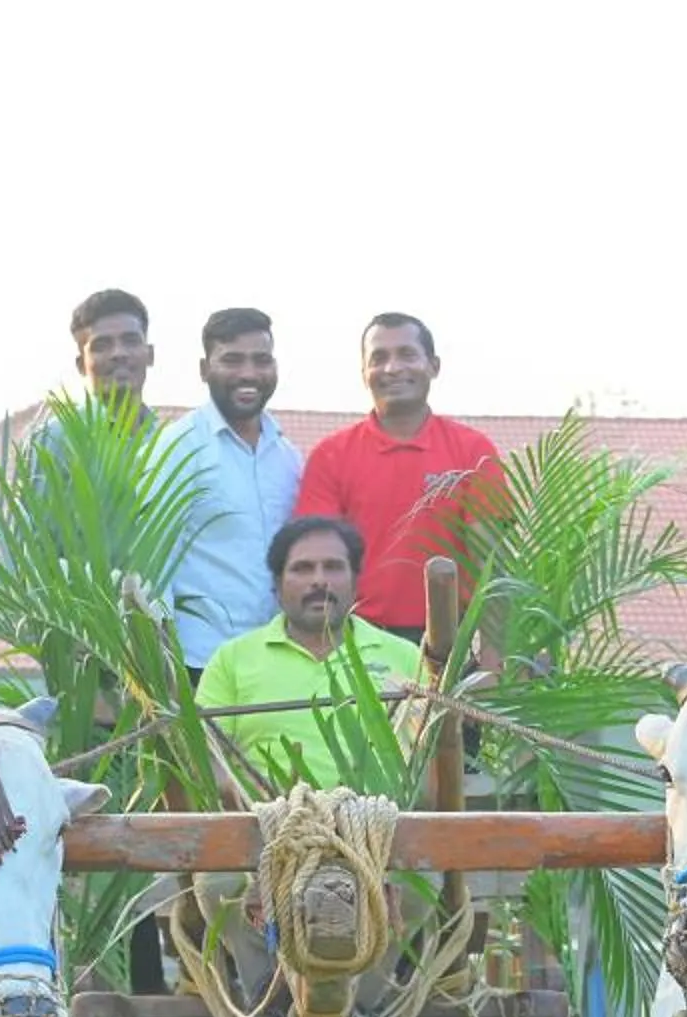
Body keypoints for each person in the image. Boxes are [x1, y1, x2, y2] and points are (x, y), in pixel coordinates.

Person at [292, 312, 500, 641]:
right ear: (364, 373)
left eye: (407, 354)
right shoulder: (330, 456)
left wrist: (493, 660)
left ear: (433, 365)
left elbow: (492, 565)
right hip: (357, 644)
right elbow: (318, 562)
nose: (392, 368)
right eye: (379, 358)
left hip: (452, 644)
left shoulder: (474, 452)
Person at [194, 516, 420, 789]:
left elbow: (428, 760)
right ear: (277, 584)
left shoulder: (406, 657)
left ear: (355, 580)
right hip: (263, 825)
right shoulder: (231, 660)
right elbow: (206, 758)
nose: (319, 581)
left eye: (333, 567)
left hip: (380, 827)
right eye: (302, 569)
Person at [158, 307, 303, 678]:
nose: (249, 374)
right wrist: (163, 664)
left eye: (261, 360)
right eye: (232, 360)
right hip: (199, 661)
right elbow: (154, 565)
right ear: (205, 369)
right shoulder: (178, 447)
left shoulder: (288, 456)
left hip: (278, 657)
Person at [66, 286, 154, 409]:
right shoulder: (55, 429)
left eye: (131, 341)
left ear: (150, 355)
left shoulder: (174, 428)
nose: (119, 353)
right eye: (101, 346)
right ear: (81, 365)